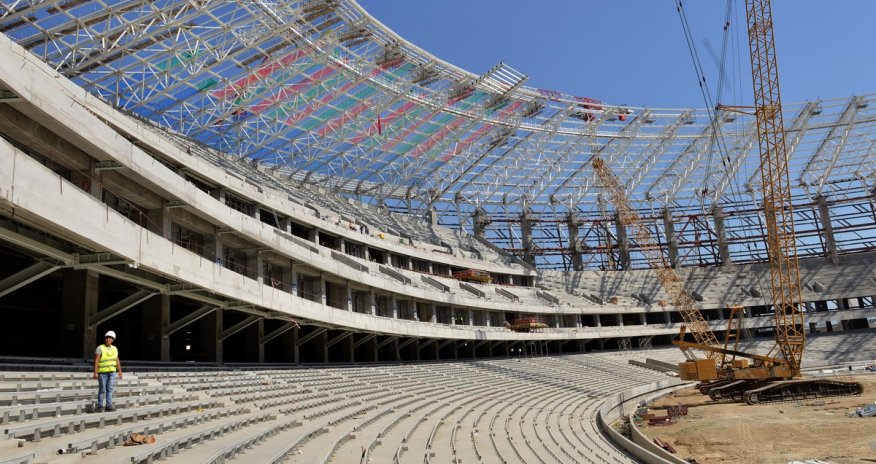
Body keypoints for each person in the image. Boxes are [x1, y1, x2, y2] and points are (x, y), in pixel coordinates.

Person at [93, 330, 122, 412]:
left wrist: (120, 371)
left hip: (112, 372)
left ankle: (108, 406)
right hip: (102, 373)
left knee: (110, 389)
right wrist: (95, 372)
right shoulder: (100, 348)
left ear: (112, 340)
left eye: (110, 338)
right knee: (102, 389)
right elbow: (96, 361)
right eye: (106, 338)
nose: (108, 339)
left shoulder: (115, 348)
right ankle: (100, 406)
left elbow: (117, 360)